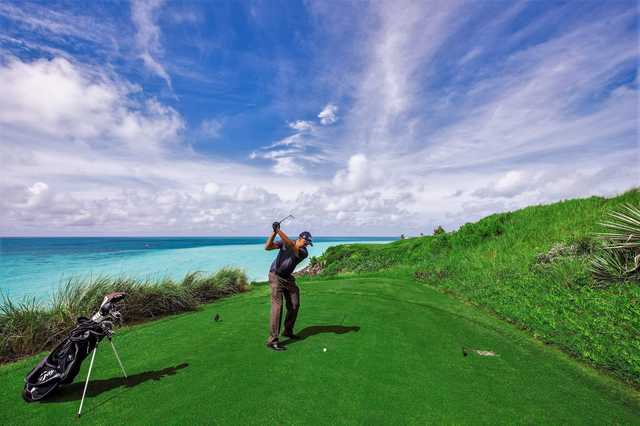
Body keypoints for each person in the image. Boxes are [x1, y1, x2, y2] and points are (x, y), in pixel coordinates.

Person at [264, 222, 313, 351]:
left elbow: (292, 246)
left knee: (294, 304)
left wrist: (279, 230)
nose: (306, 244)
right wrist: (274, 232)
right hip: (275, 276)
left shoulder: (303, 252)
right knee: (277, 307)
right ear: (300, 238)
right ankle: (272, 340)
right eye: (305, 241)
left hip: (288, 278)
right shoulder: (285, 242)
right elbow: (268, 247)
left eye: (308, 243)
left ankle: (288, 331)